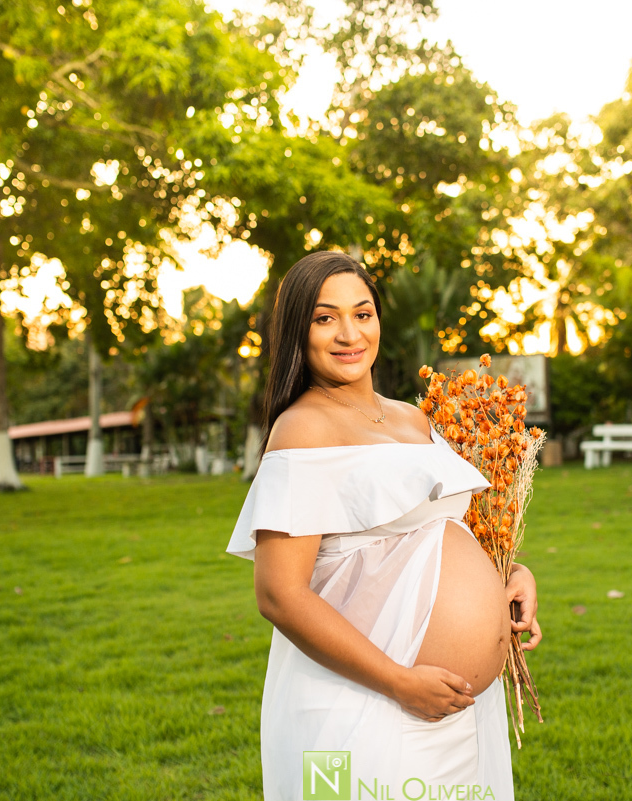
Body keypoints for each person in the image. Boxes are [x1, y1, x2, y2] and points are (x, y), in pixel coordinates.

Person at [227, 251, 542, 801]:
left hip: (454, 712)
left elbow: (437, 533)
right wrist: (400, 682)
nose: (349, 333)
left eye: (363, 313)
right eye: (325, 318)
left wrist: (509, 575)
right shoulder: (303, 428)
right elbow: (279, 594)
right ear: (298, 332)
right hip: (376, 699)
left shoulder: (411, 417)